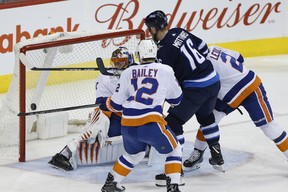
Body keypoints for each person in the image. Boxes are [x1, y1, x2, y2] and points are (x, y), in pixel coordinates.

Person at [144, 10, 224, 186]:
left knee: (173, 123)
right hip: (213, 80)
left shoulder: (164, 52)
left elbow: (165, 79)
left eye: (150, 29)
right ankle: (216, 154)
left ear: (155, 28)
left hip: (196, 89)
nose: (149, 32)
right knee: (205, 116)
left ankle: (176, 170)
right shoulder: (179, 31)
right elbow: (203, 47)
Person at [183, 45, 288, 171]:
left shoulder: (198, 65)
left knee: (269, 126)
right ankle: (198, 153)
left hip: (249, 89)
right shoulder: (213, 48)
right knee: (208, 121)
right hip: (230, 93)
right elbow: (239, 57)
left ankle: (199, 152)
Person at [101, 39, 184, 192]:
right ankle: (173, 186)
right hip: (151, 122)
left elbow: (116, 105)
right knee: (175, 149)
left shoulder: (127, 72)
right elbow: (177, 100)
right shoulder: (166, 70)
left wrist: (108, 102)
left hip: (127, 125)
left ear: (138, 55)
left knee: (134, 155)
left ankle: (111, 182)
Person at [48, 47, 134, 171]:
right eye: (115, 62)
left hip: (132, 114)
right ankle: (65, 154)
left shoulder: (137, 73)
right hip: (114, 114)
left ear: (129, 62)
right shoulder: (105, 78)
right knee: (98, 125)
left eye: (120, 62)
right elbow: (101, 104)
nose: (117, 65)